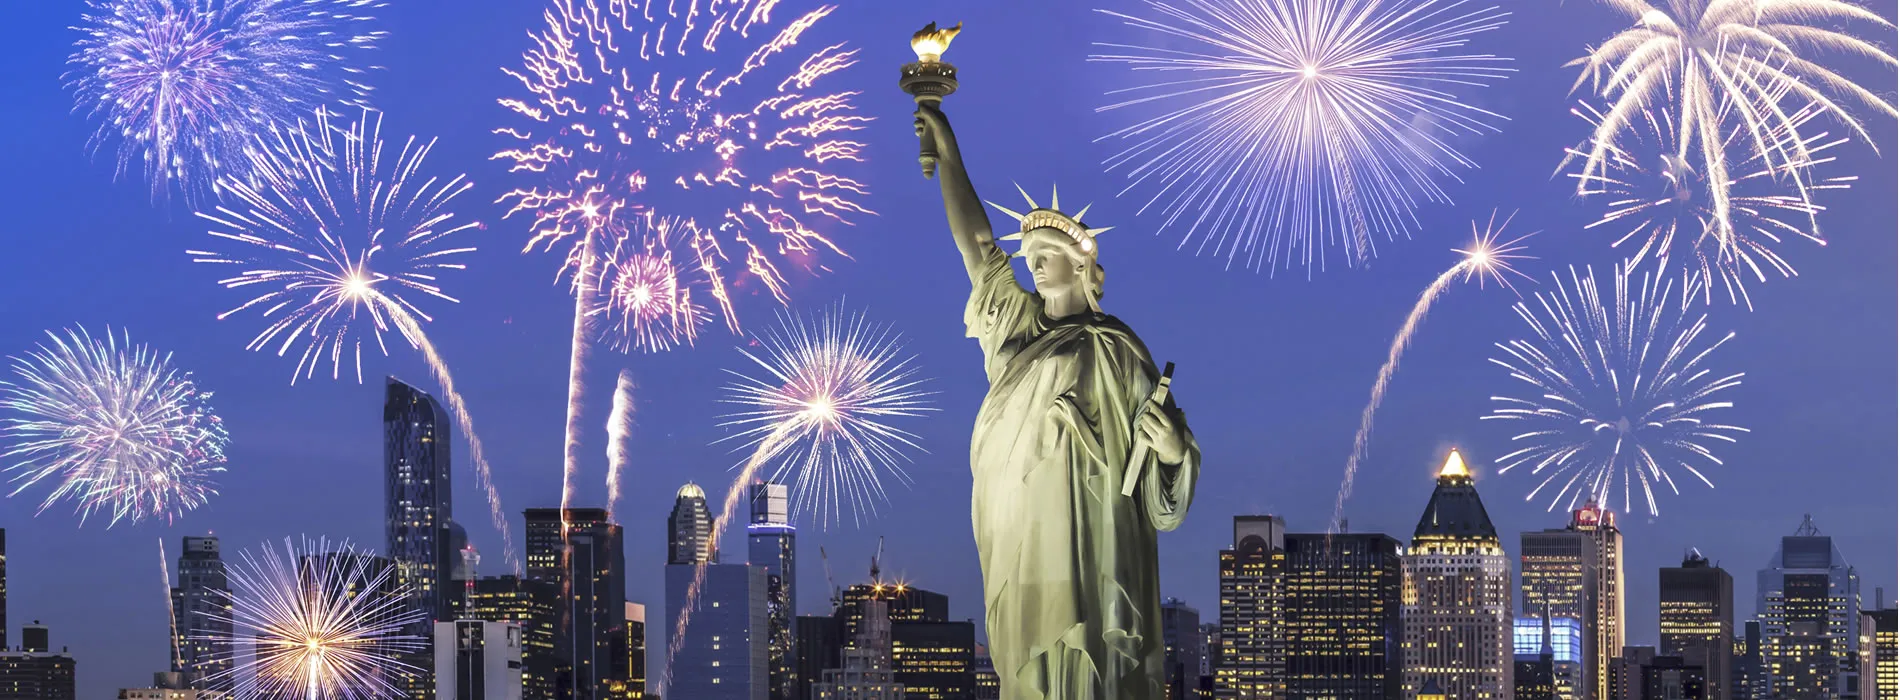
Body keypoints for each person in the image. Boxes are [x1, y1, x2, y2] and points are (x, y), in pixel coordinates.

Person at [914, 103, 1200, 699]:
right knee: (1033, 668)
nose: (1036, 264)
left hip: (1097, 538)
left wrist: (1172, 450)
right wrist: (947, 149)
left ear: (1081, 264)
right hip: (1022, 531)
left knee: (1089, 661)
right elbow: (976, 244)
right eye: (1032, 256)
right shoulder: (1016, 327)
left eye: (1047, 255)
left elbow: (1164, 483)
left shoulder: (1119, 350)